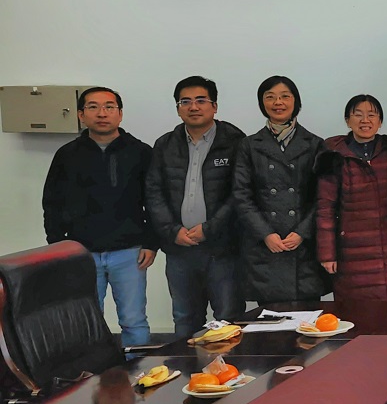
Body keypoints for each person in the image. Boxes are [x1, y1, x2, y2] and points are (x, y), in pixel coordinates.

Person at [42, 87, 157, 347]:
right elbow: (52, 202)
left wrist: (151, 242)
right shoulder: (67, 155)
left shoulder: (140, 152)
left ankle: (139, 369)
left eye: (109, 107)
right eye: (93, 107)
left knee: (133, 320)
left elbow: (154, 201)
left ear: (120, 114)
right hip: (81, 252)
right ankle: (90, 371)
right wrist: (59, 247)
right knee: (85, 321)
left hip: (130, 252)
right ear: (81, 115)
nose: (102, 113)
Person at [146, 76, 245, 338]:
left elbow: (240, 194)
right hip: (179, 248)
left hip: (223, 249)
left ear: (214, 106)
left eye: (201, 100)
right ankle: (188, 366)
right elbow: (154, 192)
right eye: (185, 102)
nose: (193, 107)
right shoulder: (165, 144)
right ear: (178, 108)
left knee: (228, 318)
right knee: (185, 319)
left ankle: (230, 366)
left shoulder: (235, 141)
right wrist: (172, 230)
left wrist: (210, 229)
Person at [316, 94, 387, 301]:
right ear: (348, 120)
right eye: (358, 115)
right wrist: (327, 254)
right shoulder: (333, 156)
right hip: (351, 253)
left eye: (372, 115)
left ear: (380, 121)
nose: (365, 120)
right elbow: (325, 208)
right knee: (355, 313)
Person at [232, 75, 327, 304]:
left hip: (304, 247)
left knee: (308, 320)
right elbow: (241, 195)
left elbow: (323, 197)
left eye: (285, 96)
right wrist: (266, 234)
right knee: (270, 319)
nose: (278, 103)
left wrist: (302, 232)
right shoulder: (248, 145)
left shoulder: (315, 144)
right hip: (265, 246)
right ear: (262, 103)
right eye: (270, 97)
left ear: (296, 101)